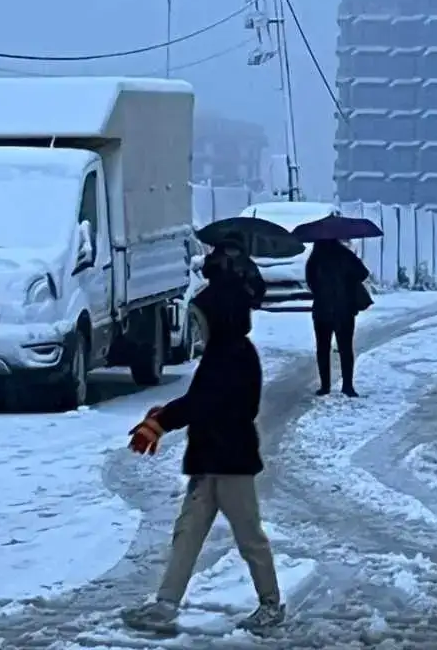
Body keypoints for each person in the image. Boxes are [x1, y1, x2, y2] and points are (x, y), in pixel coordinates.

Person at [119, 244, 283, 634]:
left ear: (220, 317)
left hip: (231, 461)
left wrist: (161, 421)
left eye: (201, 318)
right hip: (210, 458)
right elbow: (201, 401)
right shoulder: (222, 352)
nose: (198, 326)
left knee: (249, 537)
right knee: (187, 533)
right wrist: (163, 417)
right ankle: (165, 604)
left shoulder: (234, 354)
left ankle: (271, 604)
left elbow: (203, 401)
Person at [304, 238, 372, 397]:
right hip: (345, 309)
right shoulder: (345, 255)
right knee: (345, 348)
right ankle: (347, 385)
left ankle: (325, 386)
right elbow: (363, 273)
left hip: (322, 309)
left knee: (323, 348)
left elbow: (310, 281)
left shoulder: (315, 258)